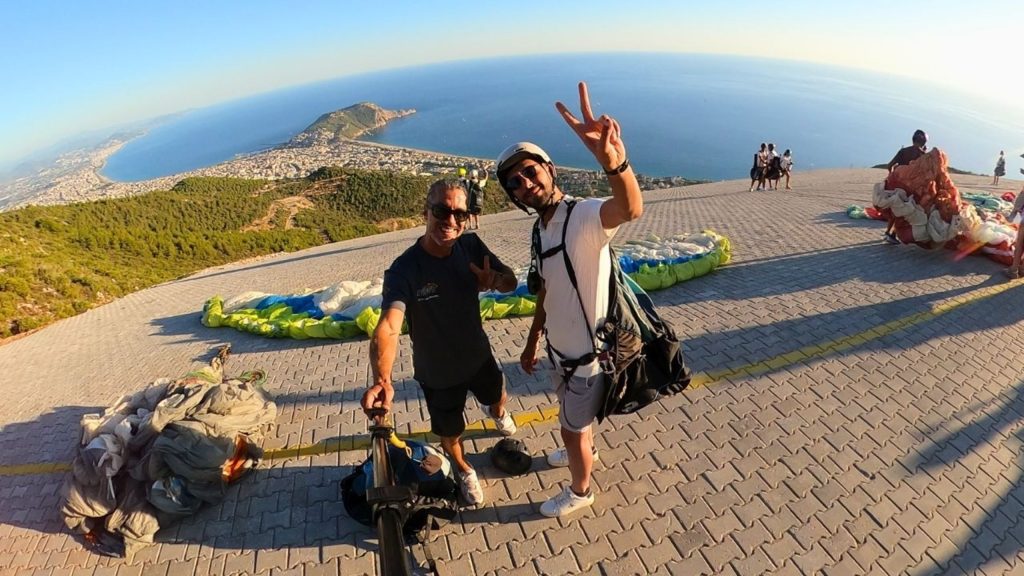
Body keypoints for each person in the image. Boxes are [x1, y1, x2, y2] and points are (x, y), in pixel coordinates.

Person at [496, 81, 643, 518]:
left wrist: (615, 164)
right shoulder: (541, 228)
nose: (524, 183)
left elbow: (629, 208)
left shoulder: (581, 217)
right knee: (573, 422)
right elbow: (547, 289)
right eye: (514, 183)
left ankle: (581, 491)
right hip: (562, 353)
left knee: (570, 429)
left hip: (588, 357)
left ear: (550, 169)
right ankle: (585, 454)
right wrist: (531, 340)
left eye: (529, 172)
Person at [361, 178, 519, 507]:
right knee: (450, 432)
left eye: (459, 214)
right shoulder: (404, 270)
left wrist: (494, 282)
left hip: (479, 356)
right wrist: (382, 380)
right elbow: (389, 327)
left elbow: (511, 282)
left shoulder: (472, 247)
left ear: (468, 218)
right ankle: (463, 470)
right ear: (426, 212)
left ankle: (498, 414)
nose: (450, 221)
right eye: (441, 211)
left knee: (497, 394)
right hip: (438, 373)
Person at [882, 129, 928, 244]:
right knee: (906, 212)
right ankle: (893, 234)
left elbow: (889, 165)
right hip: (911, 188)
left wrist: (892, 177)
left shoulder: (903, 151)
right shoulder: (923, 155)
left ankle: (888, 232)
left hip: (897, 185)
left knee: (895, 209)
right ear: (924, 142)